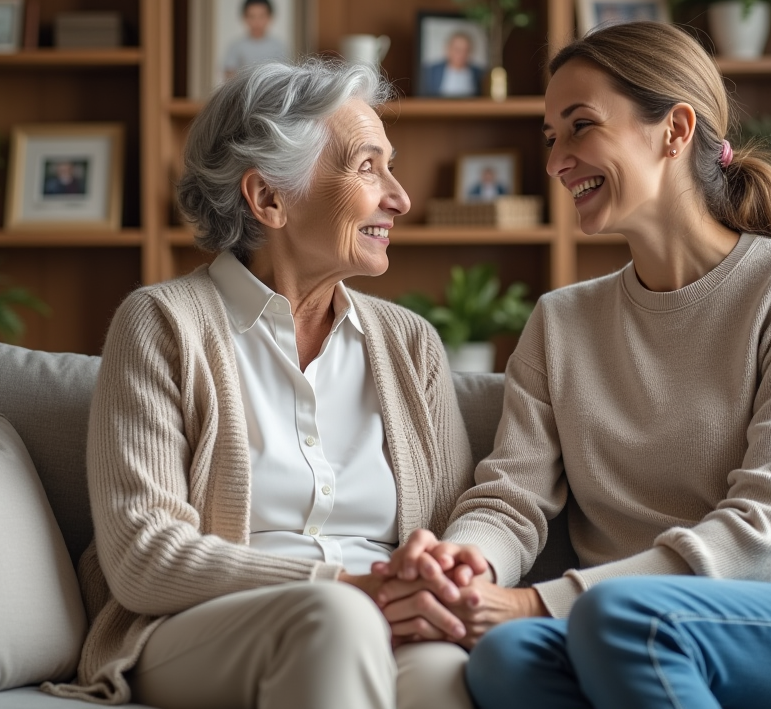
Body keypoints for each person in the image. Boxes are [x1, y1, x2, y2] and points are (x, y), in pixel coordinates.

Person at [373, 21, 771, 708]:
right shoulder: (561, 323)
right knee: (505, 660)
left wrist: (537, 601)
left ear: (675, 130)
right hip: (646, 628)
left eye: (580, 125)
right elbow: (511, 498)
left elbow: (767, 528)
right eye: (549, 136)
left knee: (615, 621)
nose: (558, 159)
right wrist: (465, 566)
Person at [43, 59, 476, 709]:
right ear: (269, 197)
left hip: (383, 615)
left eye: (392, 166)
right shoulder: (163, 325)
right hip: (200, 627)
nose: (399, 197)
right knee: (336, 622)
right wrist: (341, 584)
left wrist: (424, 582)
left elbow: (446, 525)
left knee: (454, 670)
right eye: (367, 167)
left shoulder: (411, 345)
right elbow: (142, 557)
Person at [221, 0, 290, 81]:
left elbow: (284, 75)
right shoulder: (236, 46)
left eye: (261, 16)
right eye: (252, 16)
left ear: (269, 17)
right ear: (244, 17)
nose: (257, 22)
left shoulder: (278, 46)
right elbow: (229, 75)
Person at [423, 30, 483, 97]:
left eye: (466, 50)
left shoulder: (479, 73)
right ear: (448, 49)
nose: (461, 54)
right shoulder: (431, 71)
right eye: (457, 50)